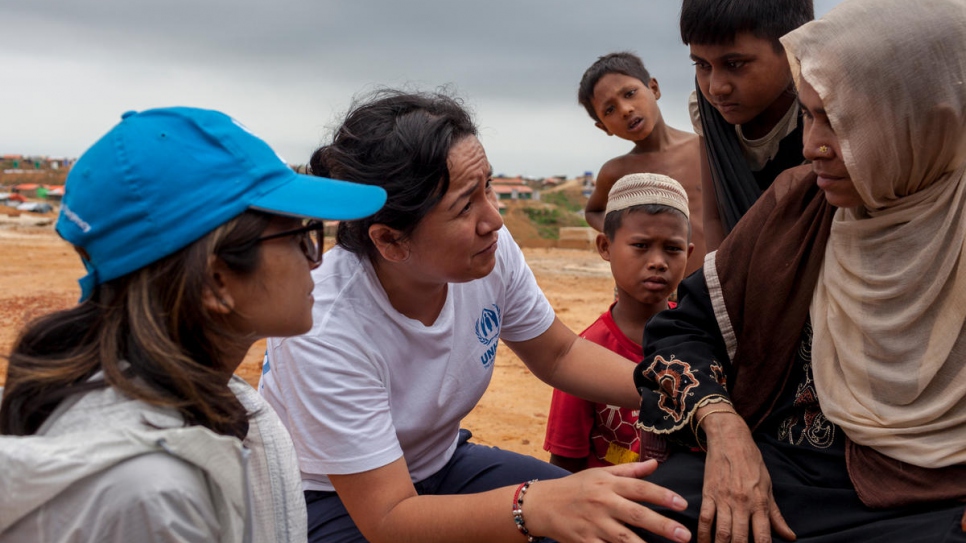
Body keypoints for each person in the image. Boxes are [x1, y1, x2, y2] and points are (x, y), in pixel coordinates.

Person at [259, 90, 692, 543]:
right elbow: (388, 519)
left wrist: (673, 390)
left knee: (618, 522)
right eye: (465, 206)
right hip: (334, 500)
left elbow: (559, 354)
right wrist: (533, 506)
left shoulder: (487, 253)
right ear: (390, 240)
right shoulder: (325, 329)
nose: (495, 220)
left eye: (487, 185)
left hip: (440, 465)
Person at [633, 0, 966, 540]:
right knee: (633, 519)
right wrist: (724, 426)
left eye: (841, 121)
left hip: (932, 502)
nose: (812, 146)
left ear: (924, 116)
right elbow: (683, 329)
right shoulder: (800, 202)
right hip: (779, 472)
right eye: (809, 115)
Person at [0, 107, 387, 542]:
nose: (315, 260)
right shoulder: (149, 495)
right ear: (215, 280)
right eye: (298, 236)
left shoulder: (228, 408)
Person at [544, 173, 692, 472]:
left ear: (689, 254)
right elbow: (564, 464)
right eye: (641, 245)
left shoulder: (699, 339)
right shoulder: (584, 356)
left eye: (673, 249)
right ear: (605, 247)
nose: (658, 261)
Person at [681, 0, 813, 250]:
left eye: (734, 64)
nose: (716, 87)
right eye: (702, 65)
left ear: (792, 48)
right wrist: (720, 281)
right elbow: (715, 216)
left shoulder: (823, 106)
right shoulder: (708, 113)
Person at [579, 52, 705, 276]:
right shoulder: (616, 172)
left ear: (654, 88)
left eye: (630, 93)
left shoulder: (703, 148)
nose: (625, 110)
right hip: (659, 291)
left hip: (719, 280)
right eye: (610, 110)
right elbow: (593, 211)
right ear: (604, 127)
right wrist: (625, 232)